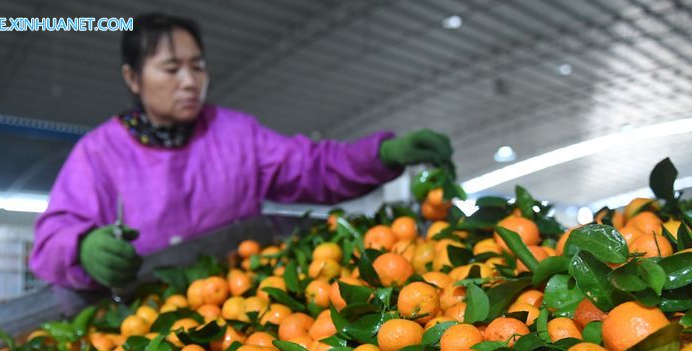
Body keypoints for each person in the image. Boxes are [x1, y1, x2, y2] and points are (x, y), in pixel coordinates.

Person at [30, 13, 453, 289]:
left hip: (238, 302)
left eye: (198, 67)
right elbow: (50, 239)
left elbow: (313, 168)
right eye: (172, 69)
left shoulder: (235, 134)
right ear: (133, 78)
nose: (190, 81)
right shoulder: (99, 153)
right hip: (144, 313)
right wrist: (83, 247)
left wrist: (382, 154)